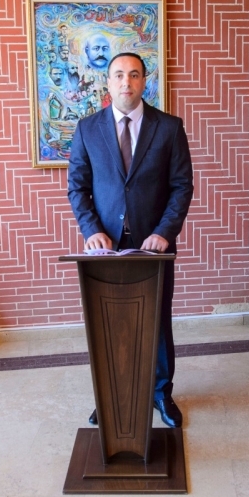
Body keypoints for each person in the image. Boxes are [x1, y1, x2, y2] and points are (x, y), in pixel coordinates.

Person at [67, 52, 194, 428]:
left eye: (134, 74)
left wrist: (164, 232)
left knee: (156, 321)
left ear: (144, 82)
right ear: (108, 82)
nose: (127, 82)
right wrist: (92, 230)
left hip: (154, 248)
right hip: (105, 249)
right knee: (109, 323)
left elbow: (182, 187)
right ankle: (111, 394)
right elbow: (77, 188)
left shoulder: (169, 128)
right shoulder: (87, 129)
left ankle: (161, 394)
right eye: (119, 75)